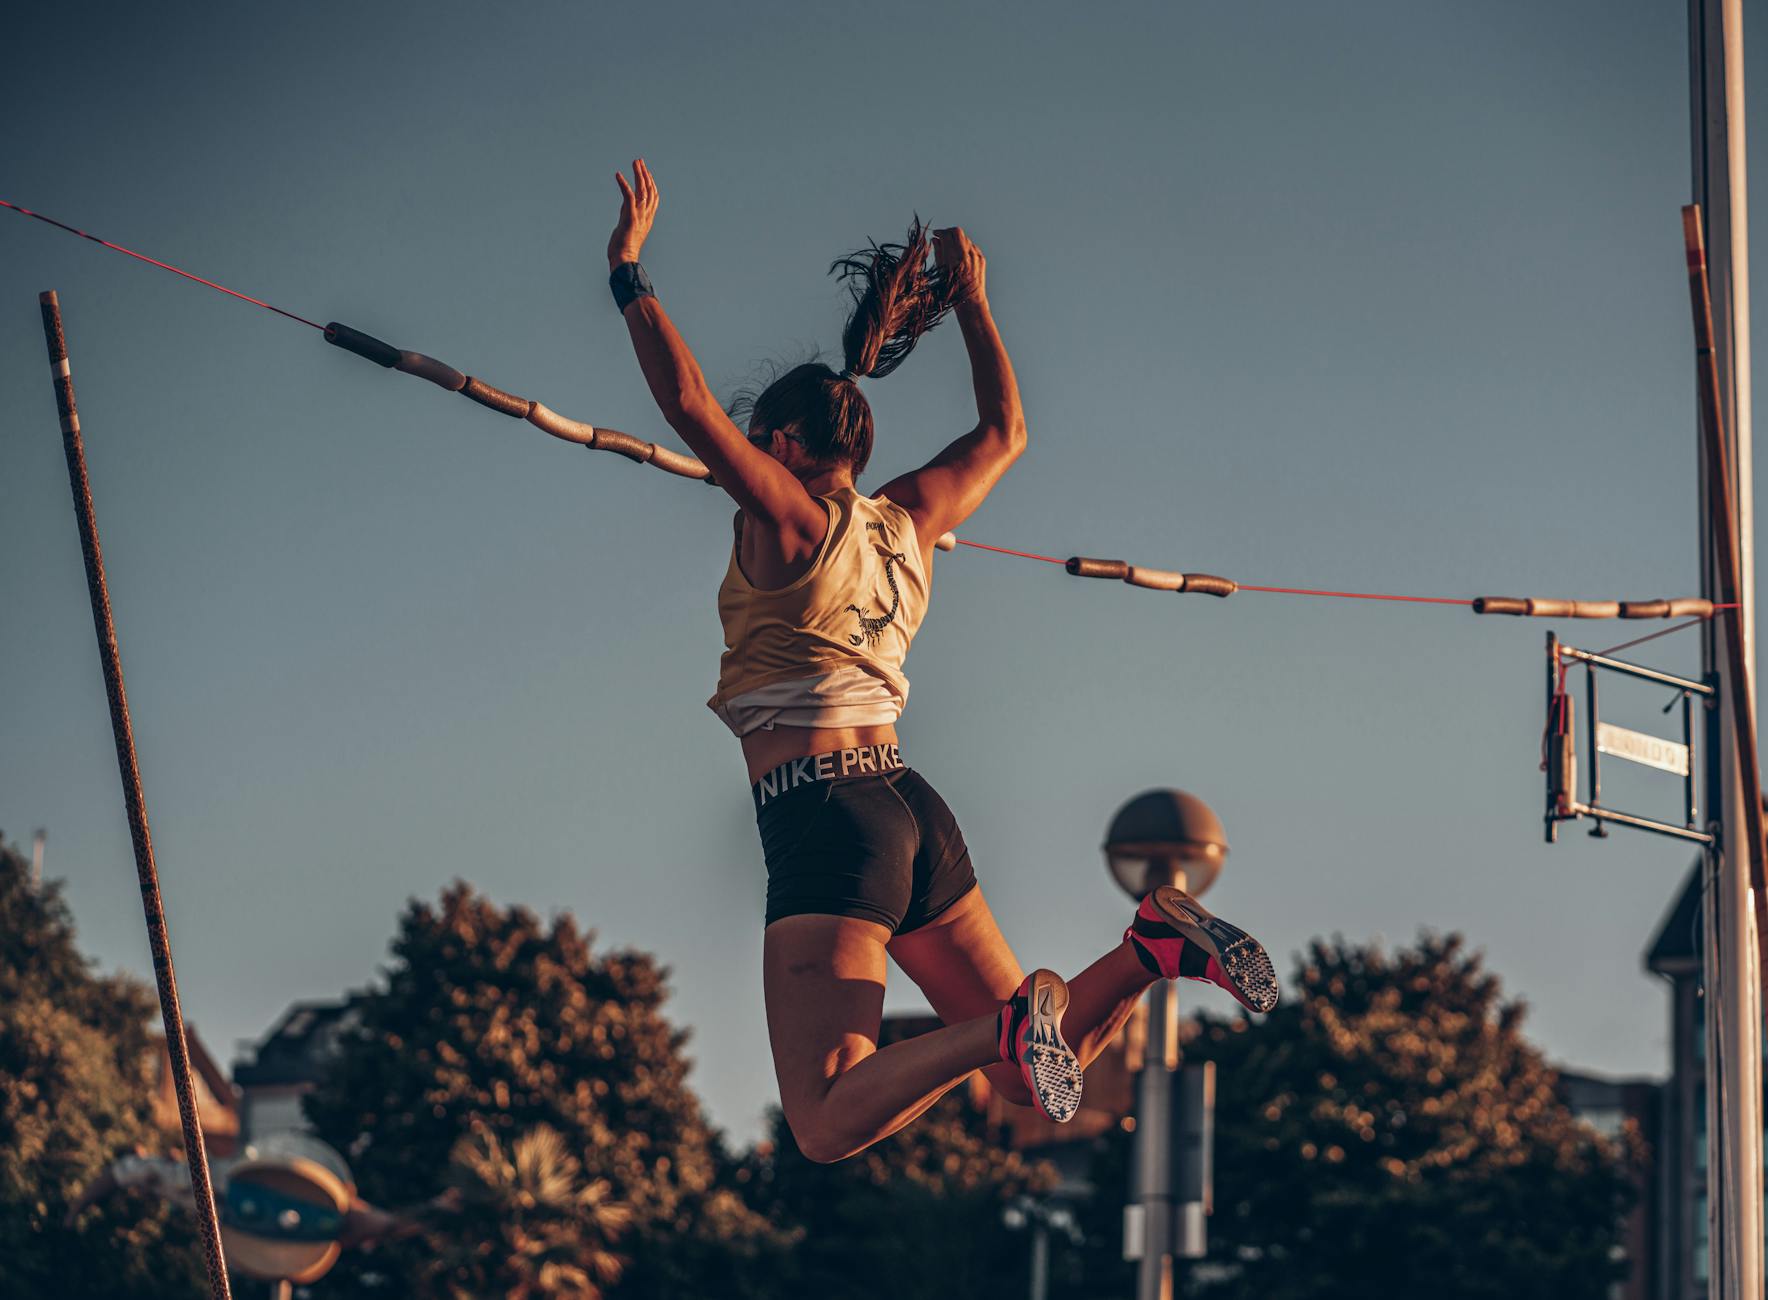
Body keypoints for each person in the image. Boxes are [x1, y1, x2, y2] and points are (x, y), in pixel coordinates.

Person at [604, 159, 1277, 1164]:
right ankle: (1152, 949)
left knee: (825, 1120)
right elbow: (1006, 432)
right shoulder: (904, 523)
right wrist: (973, 301)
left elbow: (688, 402)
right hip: (909, 806)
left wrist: (629, 274)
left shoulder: (788, 521)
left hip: (823, 817)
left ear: (779, 443)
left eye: (754, 449)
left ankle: (1001, 1030)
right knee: (1040, 1080)